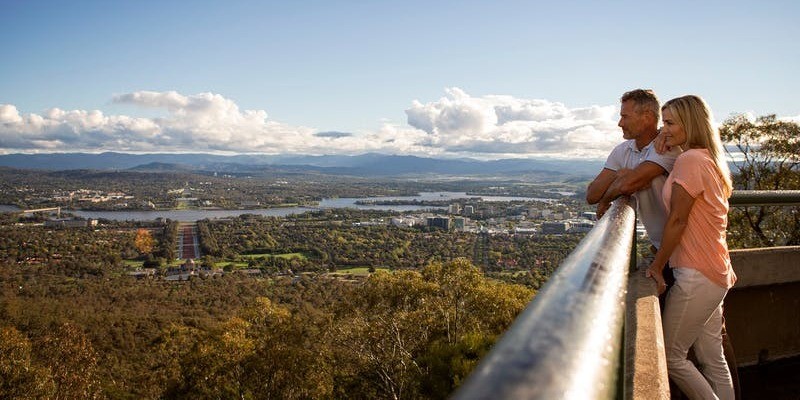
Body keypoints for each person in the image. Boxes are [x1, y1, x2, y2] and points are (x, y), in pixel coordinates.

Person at [646, 95, 736, 400]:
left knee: (671, 358)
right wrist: (665, 137)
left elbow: (678, 221)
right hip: (715, 272)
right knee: (713, 358)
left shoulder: (690, 161)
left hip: (695, 274)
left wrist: (657, 266)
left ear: (690, 123)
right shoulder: (708, 158)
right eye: (662, 122)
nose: (664, 128)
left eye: (670, 122)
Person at [587, 89, 680, 257]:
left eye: (625, 117)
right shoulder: (623, 150)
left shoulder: (666, 147)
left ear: (647, 117)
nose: (620, 123)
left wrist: (607, 198)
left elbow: (629, 184)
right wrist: (619, 175)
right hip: (661, 247)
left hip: (682, 247)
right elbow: (592, 195)